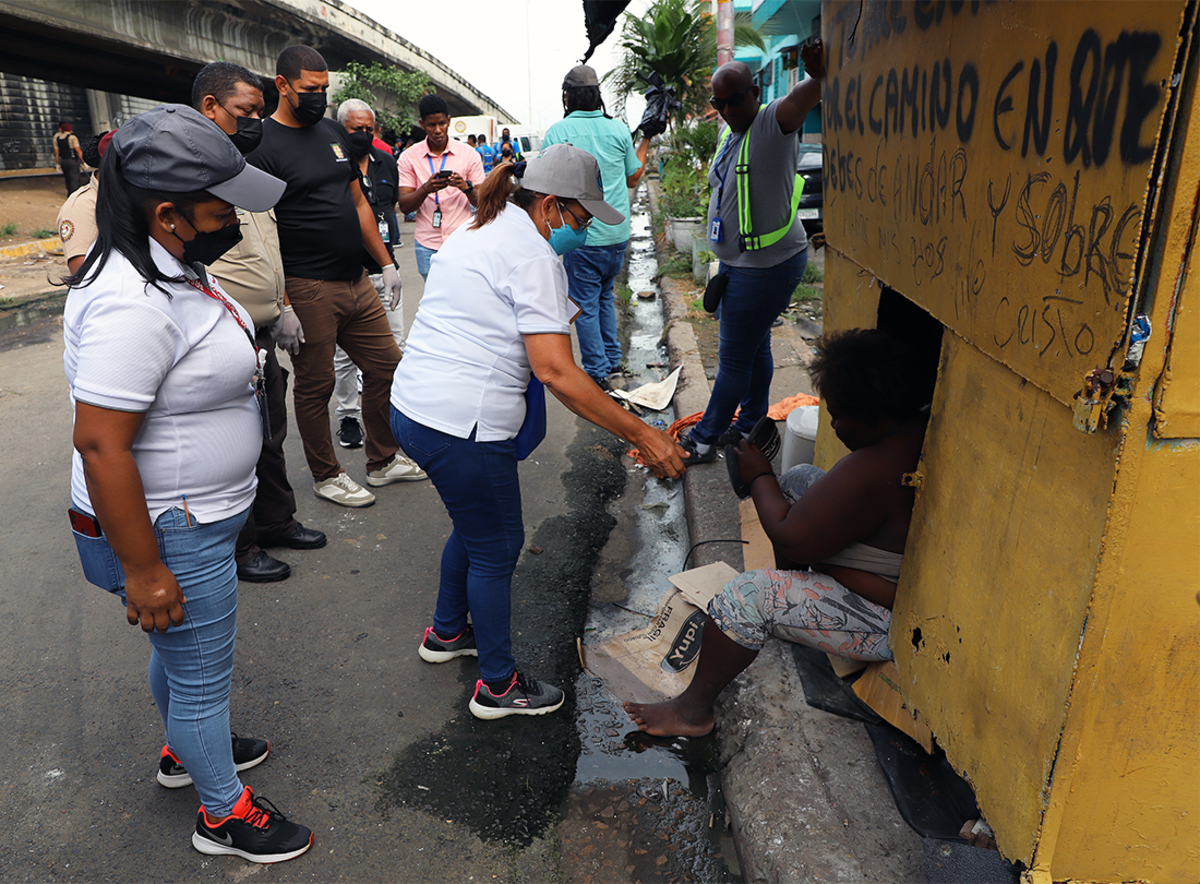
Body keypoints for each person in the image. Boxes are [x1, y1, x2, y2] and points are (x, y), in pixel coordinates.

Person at [63, 103, 313, 861]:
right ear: (167, 214)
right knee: (204, 674)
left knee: (183, 659)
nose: (234, 212)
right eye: (221, 201)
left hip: (184, 515)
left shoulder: (169, 269)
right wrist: (144, 570)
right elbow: (102, 444)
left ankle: (185, 750)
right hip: (170, 524)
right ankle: (223, 814)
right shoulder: (130, 303)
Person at [391, 144, 687, 720]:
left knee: (473, 529)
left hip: (416, 410)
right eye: (578, 218)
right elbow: (556, 371)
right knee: (497, 546)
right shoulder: (530, 255)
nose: (579, 231)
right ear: (549, 205)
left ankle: (448, 633)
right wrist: (646, 436)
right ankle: (498, 688)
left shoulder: (481, 228)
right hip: (462, 427)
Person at [626, 329, 934, 737]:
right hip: (884, 577)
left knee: (745, 596)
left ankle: (692, 712)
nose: (835, 425)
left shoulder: (875, 468)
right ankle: (796, 600)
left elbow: (791, 537)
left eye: (839, 416)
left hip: (887, 623)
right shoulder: (909, 432)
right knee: (801, 479)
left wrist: (759, 478)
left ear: (877, 417)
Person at [246, 45, 425, 508]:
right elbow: (260, 230)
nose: (318, 98)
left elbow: (359, 202)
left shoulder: (331, 132)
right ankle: (327, 475)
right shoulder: (261, 144)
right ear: (282, 86)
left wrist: (385, 261)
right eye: (309, 90)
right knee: (315, 385)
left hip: (356, 280)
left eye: (324, 90)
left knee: (388, 367)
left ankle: (383, 460)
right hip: (308, 287)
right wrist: (282, 302)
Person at [192, 61, 328, 583]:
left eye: (258, 111)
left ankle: (275, 521)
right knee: (237, 442)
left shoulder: (242, 166)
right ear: (211, 107)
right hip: (223, 331)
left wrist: (286, 304)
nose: (255, 122)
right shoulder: (193, 173)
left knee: (270, 431)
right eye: (245, 112)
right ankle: (241, 546)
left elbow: (269, 249)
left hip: (263, 328)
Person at [678, 45, 824, 465]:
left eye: (735, 99)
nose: (726, 109)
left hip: (765, 268)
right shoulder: (730, 132)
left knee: (733, 359)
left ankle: (704, 440)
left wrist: (817, 77)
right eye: (717, 103)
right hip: (740, 265)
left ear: (755, 92)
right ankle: (751, 423)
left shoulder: (771, 123)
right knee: (755, 346)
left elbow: (801, 99)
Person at [543, 64, 652, 389]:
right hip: (617, 233)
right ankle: (612, 360)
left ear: (567, 97)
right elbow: (634, 175)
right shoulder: (618, 129)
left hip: (580, 235)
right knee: (605, 296)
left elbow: (543, 185)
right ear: (596, 95)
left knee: (585, 305)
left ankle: (599, 372)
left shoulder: (558, 131)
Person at [332, 98, 406, 450]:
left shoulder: (386, 162)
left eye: (367, 129)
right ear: (341, 129)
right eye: (354, 129)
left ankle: (392, 416)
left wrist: (388, 262)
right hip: (348, 274)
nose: (362, 135)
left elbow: (389, 209)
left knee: (395, 347)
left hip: (384, 270)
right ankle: (348, 416)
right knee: (345, 356)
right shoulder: (332, 165)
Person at [396, 95, 484, 281]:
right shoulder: (408, 157)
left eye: (442, 123)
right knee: (433, 301)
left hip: (462, 240)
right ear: (422, 124)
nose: (437, 130)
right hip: (427, 244)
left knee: (465, 296)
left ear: (449, 121)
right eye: (431, 125)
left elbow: (484, 201)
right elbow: (404, 205)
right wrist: (425, 189)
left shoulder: (469, 155)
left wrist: (465, 187)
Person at [57, 130, 113, 275]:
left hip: (65, 161)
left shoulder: (58, 137)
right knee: (74, 181)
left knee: (71, 181)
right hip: (72, 161)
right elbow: (82, 272)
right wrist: (82, 161)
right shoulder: (81, 207)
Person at [53, 122, 84, 195]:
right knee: (75, 179)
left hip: (63, 161)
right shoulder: (72, 137)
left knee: (68, 179)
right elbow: (78, 150)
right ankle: (75, 195)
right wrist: (84, 161)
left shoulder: (57, 138)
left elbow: (56, 152)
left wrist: (57, 163)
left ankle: (69, 194)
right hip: (72, 160)